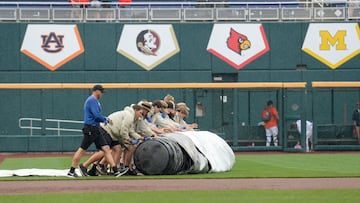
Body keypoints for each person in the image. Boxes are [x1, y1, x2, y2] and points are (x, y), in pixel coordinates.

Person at [67, 84, 122, 177]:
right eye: (101, 92)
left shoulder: (95, 101)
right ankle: (71, 171)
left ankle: (115, 171)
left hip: (96, 128)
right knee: (82, 150)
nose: (102, 94)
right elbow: (96, 115)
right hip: (90, 128)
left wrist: (104, 119)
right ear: (96, 91)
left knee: (106, 149)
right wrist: (105, 119)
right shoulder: (92, 100)